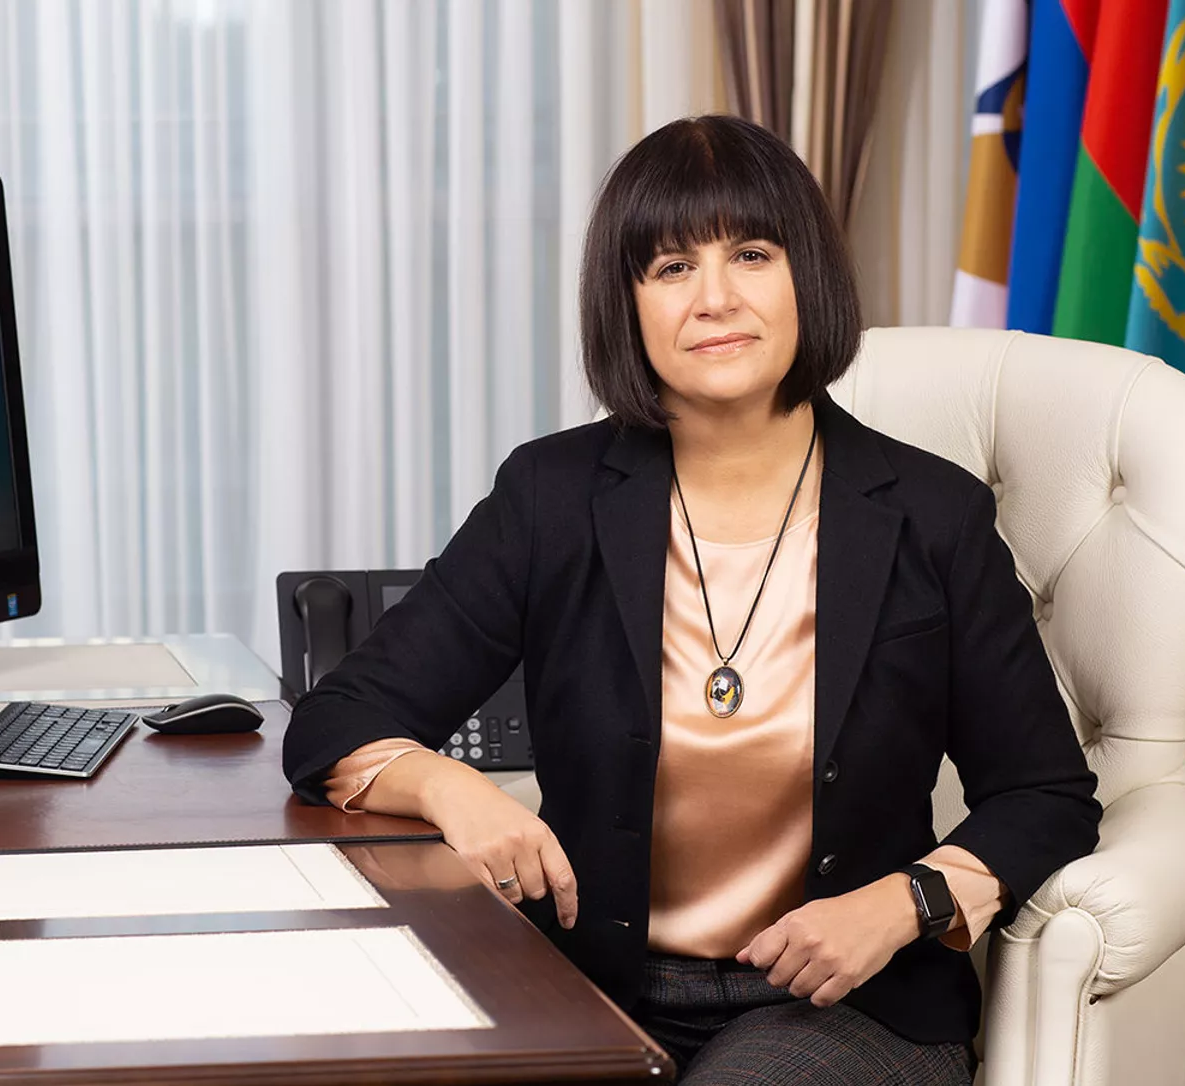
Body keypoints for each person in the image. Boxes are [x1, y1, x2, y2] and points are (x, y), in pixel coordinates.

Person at [283, 114, 1100, 1084]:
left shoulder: (933, 514)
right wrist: (450, 788)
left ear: (806, 277)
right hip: (587, 988)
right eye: (672, 267)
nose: (715, 298)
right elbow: (335, 722)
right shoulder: (551, 497)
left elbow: (1045, 794)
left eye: (751, 254)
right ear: (626, 304)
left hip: (848, 1009)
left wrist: (906, 902)